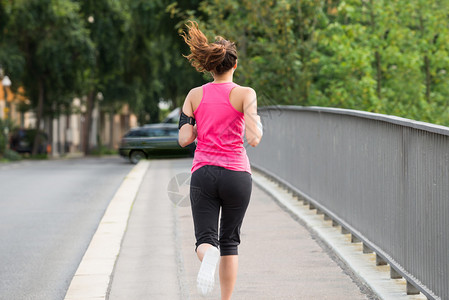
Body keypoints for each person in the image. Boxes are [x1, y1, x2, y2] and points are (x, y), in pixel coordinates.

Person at [178, 21, 263, 299]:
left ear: (210, 66)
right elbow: (253, 137)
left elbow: (184, 139)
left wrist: (198, 124)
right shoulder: (245, 94)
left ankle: (208, 254)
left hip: (204, 173)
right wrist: (256, 125)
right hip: (237, 175)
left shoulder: (194, 95)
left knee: (205, 241)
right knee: (230, 242)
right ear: (234, 65)